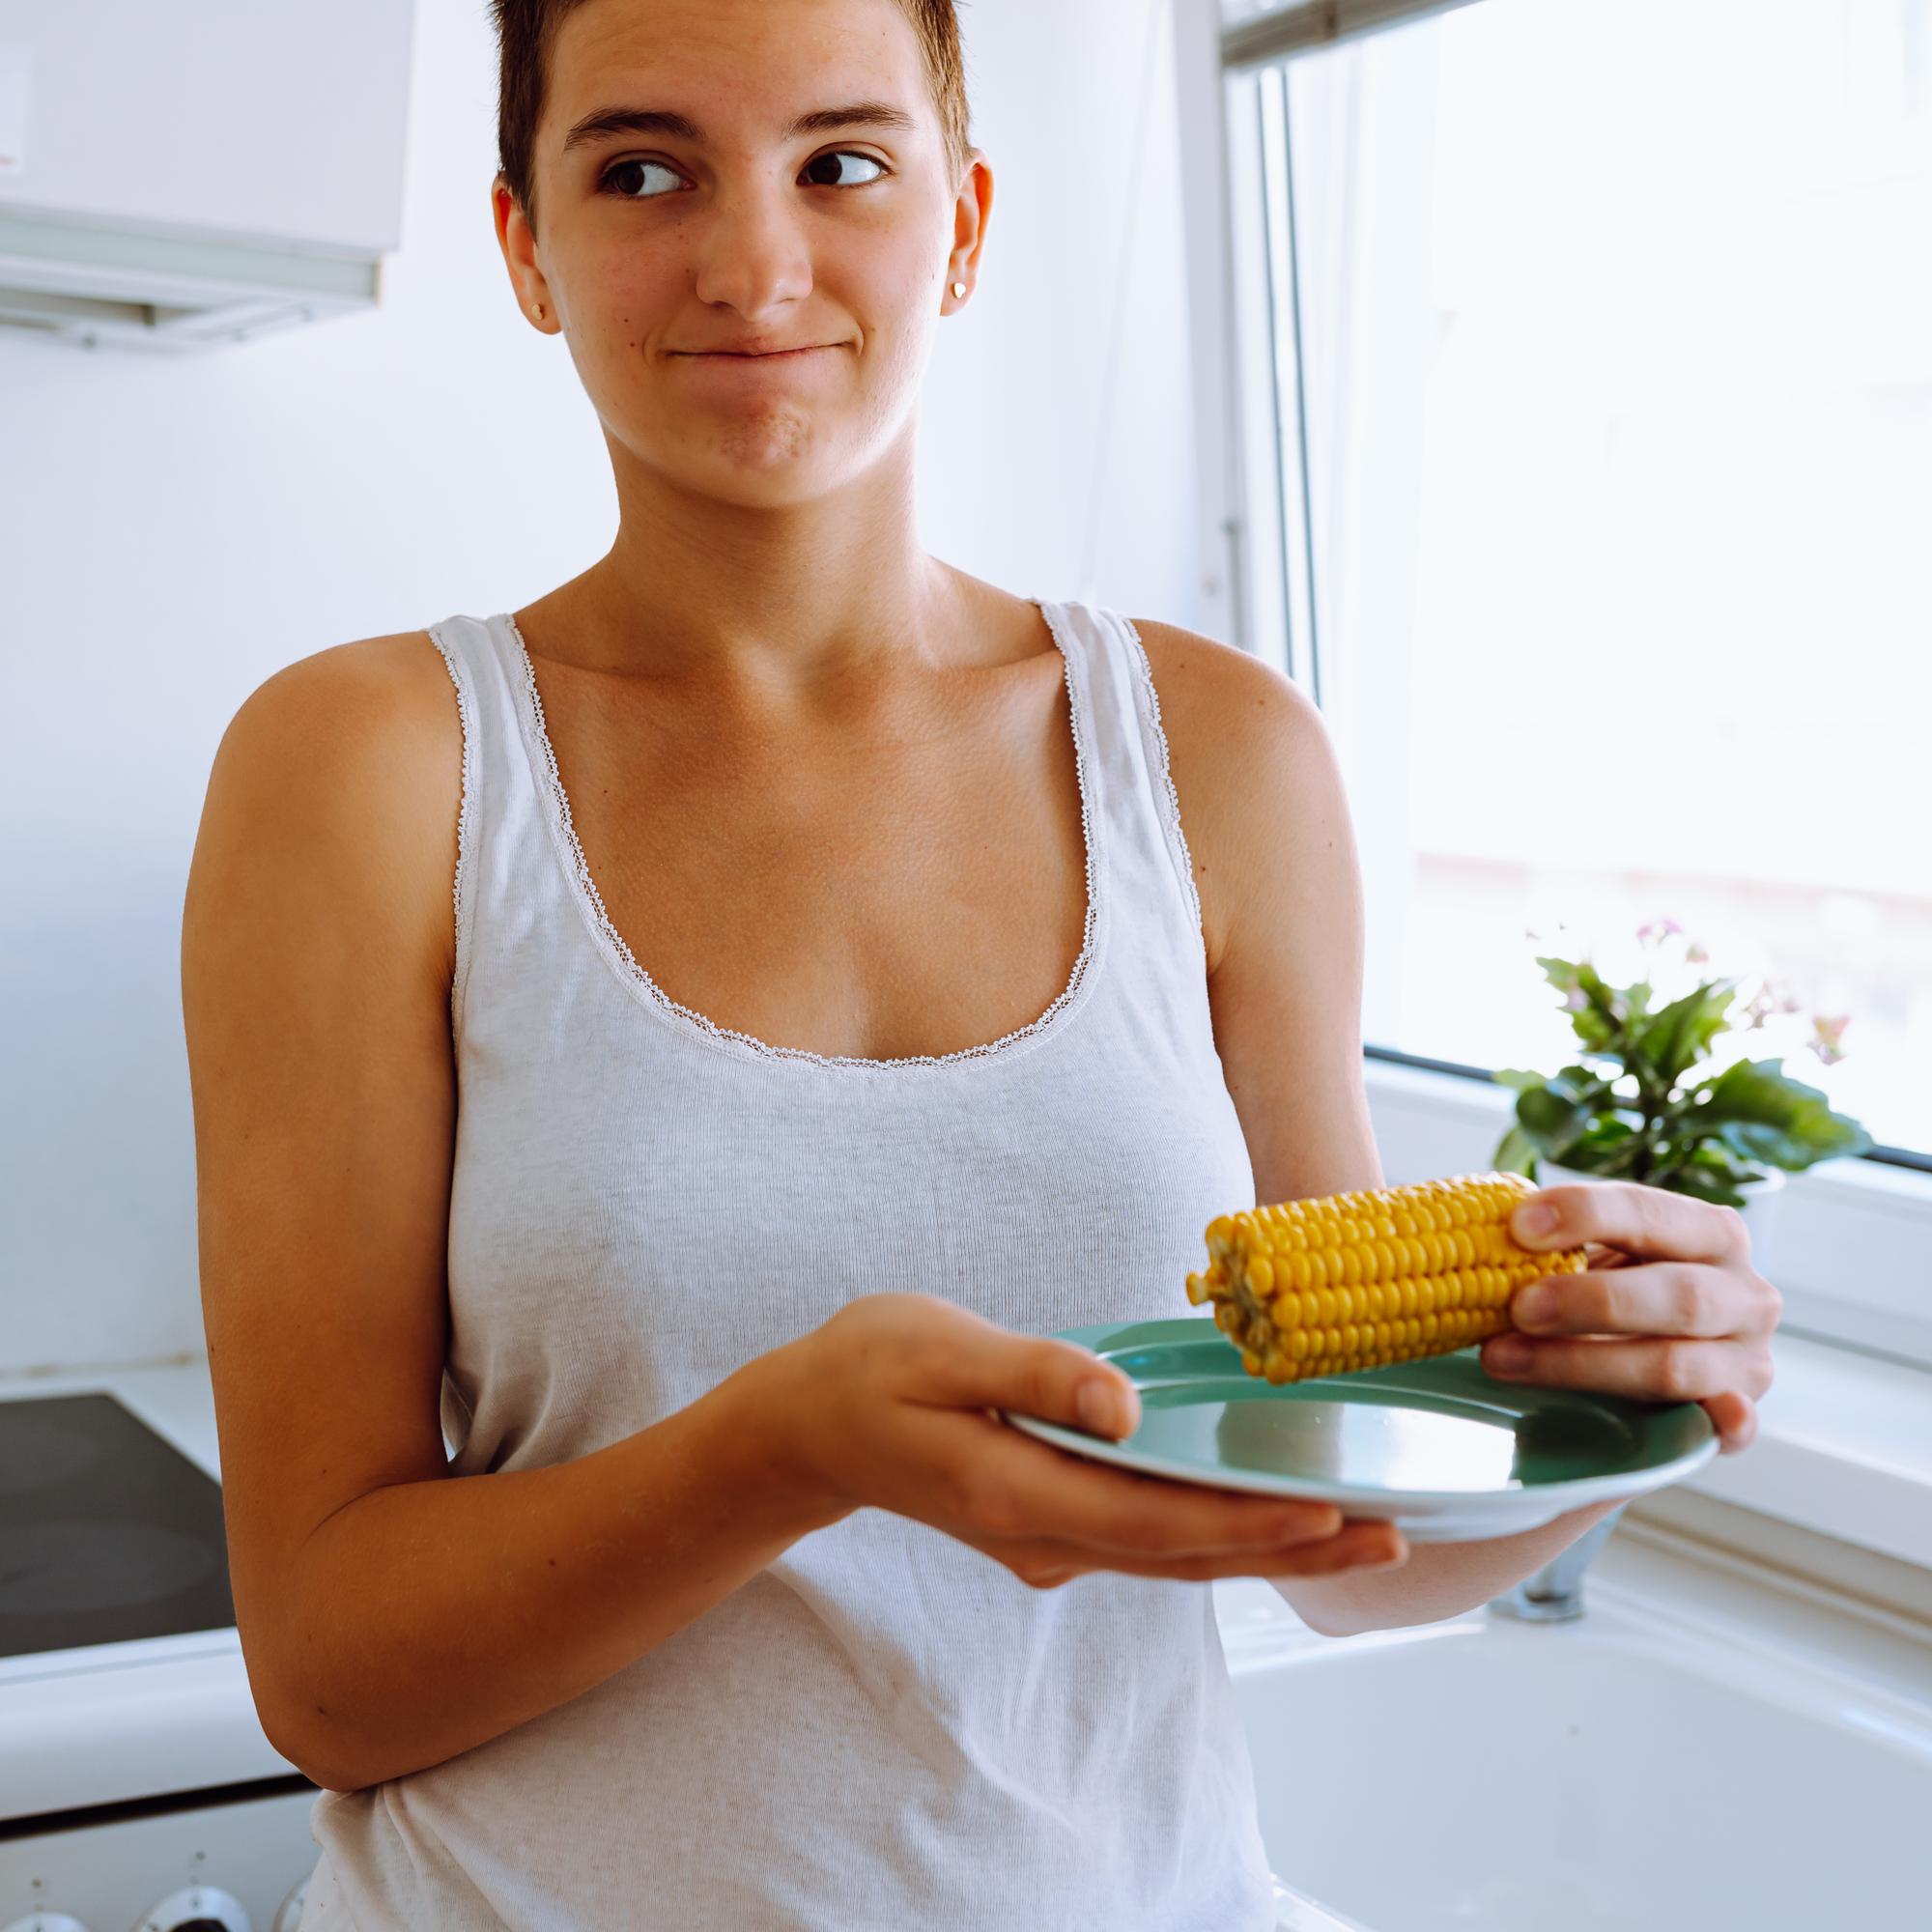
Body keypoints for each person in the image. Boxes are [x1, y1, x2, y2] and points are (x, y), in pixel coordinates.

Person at [179, 1, 1780, 1926]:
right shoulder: (367, 768)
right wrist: (777, 1447)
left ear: (963, 220)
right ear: (526, 243)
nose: (754, 263)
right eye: (642, 169)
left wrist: (1618, 1408)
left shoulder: (1222, 759)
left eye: (840, 161)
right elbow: (330, 1679)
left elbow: (1347, 1533)